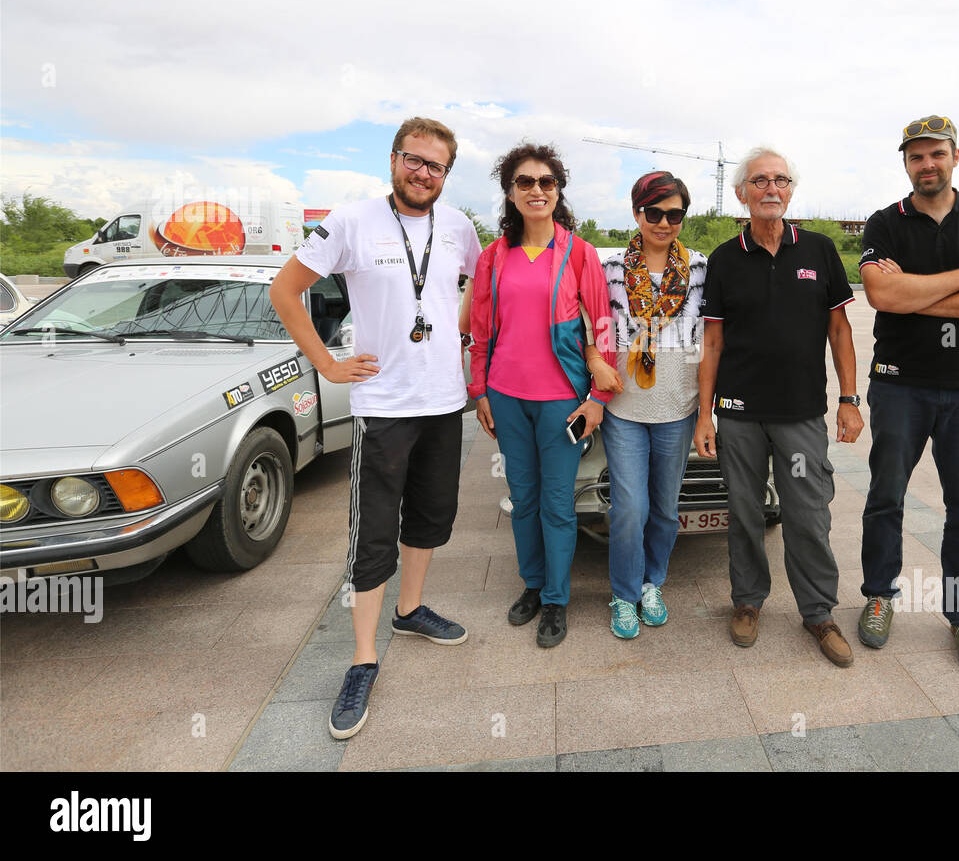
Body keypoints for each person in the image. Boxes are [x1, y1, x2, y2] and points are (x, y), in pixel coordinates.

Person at [270, 117, 481, 739]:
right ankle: (363, 658)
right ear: (393, 160)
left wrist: (457, 334)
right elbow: (286, 291)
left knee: (433, 514)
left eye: (436, 166)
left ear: (447, 174)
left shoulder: (459, 227)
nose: (424, 173)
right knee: (374, 528)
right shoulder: (351, 221)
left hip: (444, 401)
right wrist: (328, 364)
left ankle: (410, 611)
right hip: (383, 404)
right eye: (414, 160)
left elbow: (470, 285)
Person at [856, 115, 959, 675]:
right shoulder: (885, 222)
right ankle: (880, 595)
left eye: (936, 154)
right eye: (915, 157)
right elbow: (882, 293)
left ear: (956, 156)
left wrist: (916, 295)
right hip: (898, 382)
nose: (926, 164)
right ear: (905, 163)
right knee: (885, 497)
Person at [693, 146, 864, 667]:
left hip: (801, 414)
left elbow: (840, 328)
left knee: (808, 515)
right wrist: (706, 416)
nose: (772, 188)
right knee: (744, 514)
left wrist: (850, 399)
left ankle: (818, 613)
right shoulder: (724, 259)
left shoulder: (819, 250)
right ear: (742, 193)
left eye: (781, 180)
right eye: (760, 180)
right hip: (739, 414)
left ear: (791, 190)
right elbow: (713, 344)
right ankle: (747, 602)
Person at [468, 142, 617, 648]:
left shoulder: (579, 253)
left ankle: (556, 599)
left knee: (558, 503)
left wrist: (597, 397)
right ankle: (531, 585)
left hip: (561, 402)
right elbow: (482, 331)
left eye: (545, 182)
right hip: (506, 397)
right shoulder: (494, 257)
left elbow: (603, 326)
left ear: (558, 191)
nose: (536, 190)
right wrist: (479, 389)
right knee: (524, 499)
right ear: (510, 192)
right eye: (525, 182)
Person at [599, 171, 708, 639]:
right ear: (637, 212)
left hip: (678, 408)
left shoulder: (701, 267)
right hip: (624, 408)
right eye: (654, 213)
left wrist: (707, 410)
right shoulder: (611, 270)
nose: (664, 223)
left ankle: (651, 583)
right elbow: (594, 331)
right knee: (629, 508)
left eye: (675, 214)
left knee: (665, 508)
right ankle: (623, 595)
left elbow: (713, 337)